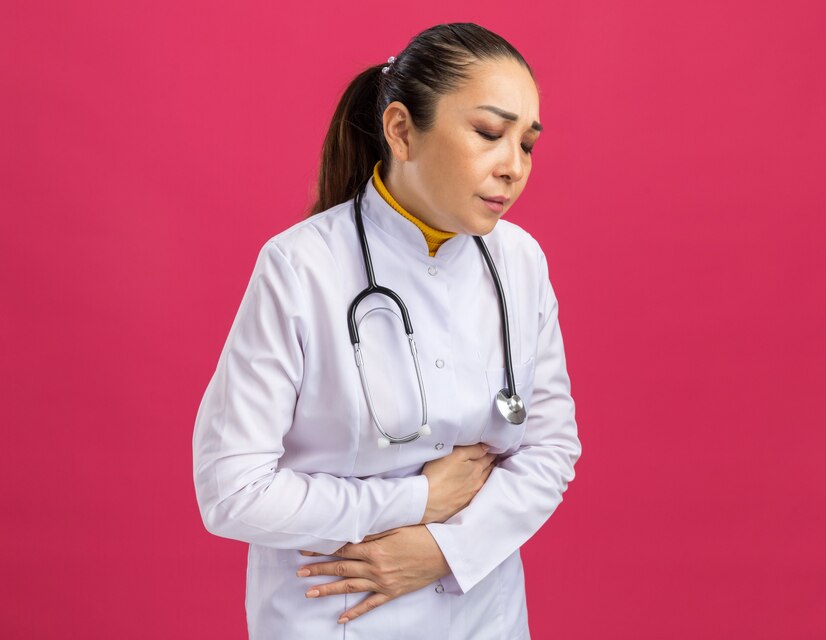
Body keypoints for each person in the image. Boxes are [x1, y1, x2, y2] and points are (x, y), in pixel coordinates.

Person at [193, 22, 582, 640]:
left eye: (527, 143)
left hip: (483, 613)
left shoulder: (520, 262)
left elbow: (550, 449)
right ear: (401, 130)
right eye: (489, 133)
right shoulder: (301, 267)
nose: (513, 167)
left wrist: (445, 550)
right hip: (337, 614)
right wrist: (411, 504)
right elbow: (231, 489)